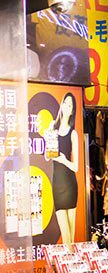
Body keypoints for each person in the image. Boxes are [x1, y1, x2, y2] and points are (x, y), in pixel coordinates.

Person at [46, 92, 80, 244]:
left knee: (70, 238)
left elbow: (76, 167)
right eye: (65, 103)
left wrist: (64, 160)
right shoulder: (52, 127)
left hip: (70, 184)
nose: (67, 107)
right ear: (61, 105)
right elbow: (47, 156)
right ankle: (69, 264)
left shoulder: (73, 134)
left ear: (73, 110)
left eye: (70, 105)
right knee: (65, 233)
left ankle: (71, 265)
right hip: (57, 184)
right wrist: (48, 148)